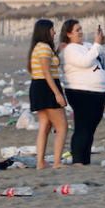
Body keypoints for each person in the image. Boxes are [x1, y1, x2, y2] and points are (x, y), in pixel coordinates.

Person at [58, 19, 105, 166]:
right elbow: (85, 62)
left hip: (98, 92)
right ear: (68, 34)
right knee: (82, 127)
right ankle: (78, 160)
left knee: (91, 127)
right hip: (81, 92)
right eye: (77, 30)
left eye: (81, 29)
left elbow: (104, 61)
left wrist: (103, 44)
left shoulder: (88, 45)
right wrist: (97, 46)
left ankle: (85, 159)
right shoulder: (69, 49)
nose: (80, 32)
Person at [27, 19, 67, 169]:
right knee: (62, 125)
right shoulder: (43, 48)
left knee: (45, 125)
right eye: (52, 30)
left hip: (39, 85)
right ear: (45, 31)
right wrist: (57, 94)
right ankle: (57, 162)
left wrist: (58, 51)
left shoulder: (40, 47)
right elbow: (46, 72)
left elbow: (46, 65)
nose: (54, 32)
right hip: (46, 87)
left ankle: (40, 162)